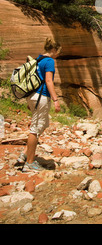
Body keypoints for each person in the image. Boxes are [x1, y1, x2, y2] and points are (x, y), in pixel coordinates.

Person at [18, 38, 62, 172]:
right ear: (54, 49)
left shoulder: (38, 59)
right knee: (36, 129)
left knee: (44, 123)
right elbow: (49, 81)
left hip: (33, 96)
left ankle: (25, 153)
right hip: (41, 97)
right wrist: (55, 100)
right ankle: (29, 163)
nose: (58, 54)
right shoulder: (49, 61)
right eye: (58, 51)